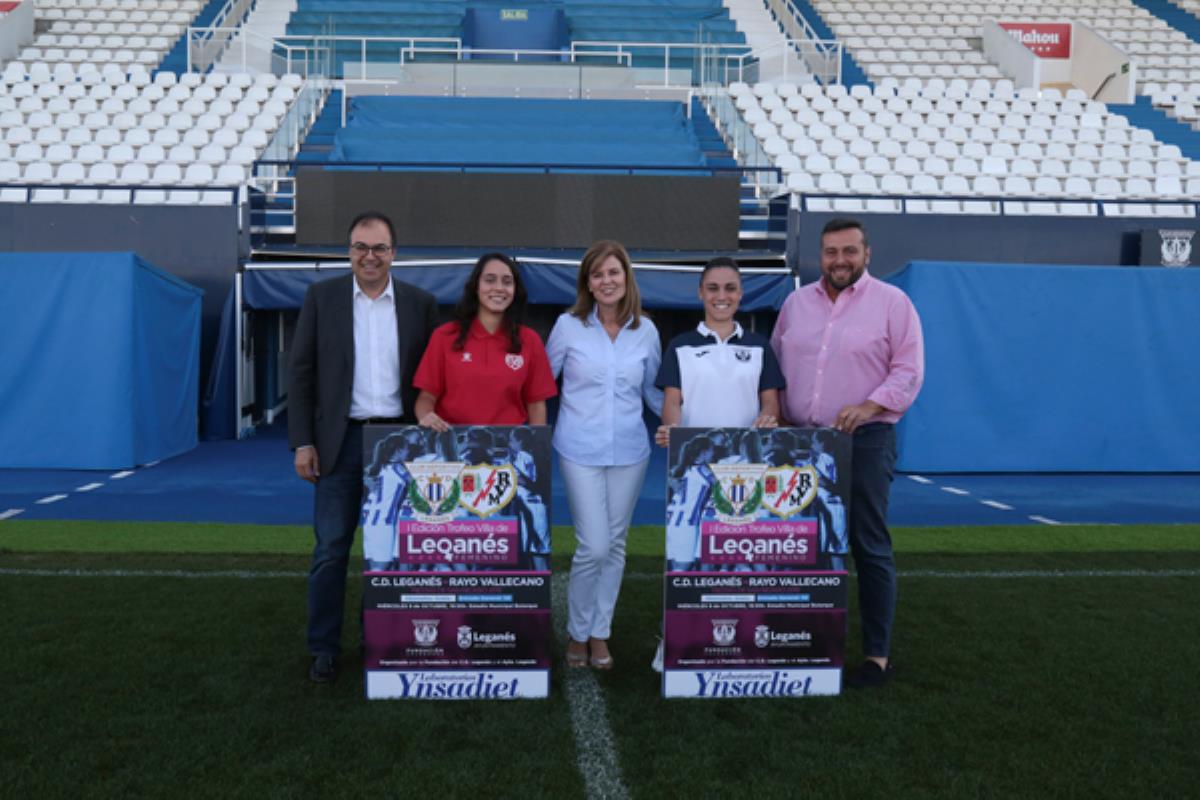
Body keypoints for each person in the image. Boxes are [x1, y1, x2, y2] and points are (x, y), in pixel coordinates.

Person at [770, 217, 924, 690]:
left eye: (849, 251)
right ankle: (801, 643)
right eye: (831, 252)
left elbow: (908, 370)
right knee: (799, 545)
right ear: (820, 256)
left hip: (865, 440)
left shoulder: (893, 303)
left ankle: (876, 656)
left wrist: (868, 405)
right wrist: (775, 415)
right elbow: (774, 367)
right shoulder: (795, 303)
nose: (840, 260)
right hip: (800, 442)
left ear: (867, 254)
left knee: (867, 544)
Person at [288, 210, 438, 684]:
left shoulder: (420, 304)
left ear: (394, 253)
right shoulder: (322, 298)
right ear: (348, 251)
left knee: (390, 551)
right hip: (340, 443)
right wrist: (302, 442)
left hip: (399, 445)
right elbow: (301, 374)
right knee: (332, 549)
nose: (369, 256)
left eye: (378, 248)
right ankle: (324, 648)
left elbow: (433, 377)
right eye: (360, 247)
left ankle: (380, 641)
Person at [651, 257, 785, 669]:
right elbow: (672, 403)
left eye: (729, 288)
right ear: (700, 293)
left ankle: (747, 639)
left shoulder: (760, 346)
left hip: (746, 474)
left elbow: (770, 405)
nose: (721, 296)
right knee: (687, 556)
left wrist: (769, 419)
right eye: (713, 288)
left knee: (742, 558)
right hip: (693, 472)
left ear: (741, 294)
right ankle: (675, 639)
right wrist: (672, 429)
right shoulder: (681, 345)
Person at [546, 240, 663, 670]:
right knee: (593, 545)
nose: (607, 280)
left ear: (626, 277)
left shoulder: (646, 331)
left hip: (631, 451)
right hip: (578, 448)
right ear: (588, 284)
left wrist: (686, 426)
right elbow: (543, 381)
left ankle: (598, 634)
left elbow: (654, 391)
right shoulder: (567, 326)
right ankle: (577, 633)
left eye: (614, 272)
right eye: (598, 275)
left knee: (614, 546)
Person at [413, 252, 556, 431]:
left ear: (515, 290)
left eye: (507, 282)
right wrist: (426, 415)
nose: (499, 288)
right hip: (454, 442)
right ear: (476, 286)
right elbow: (426, 398)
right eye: (490, 280)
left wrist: (536, 444)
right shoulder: (445, 336)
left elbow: (536, 405)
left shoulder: (530, 340)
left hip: (508, 445)